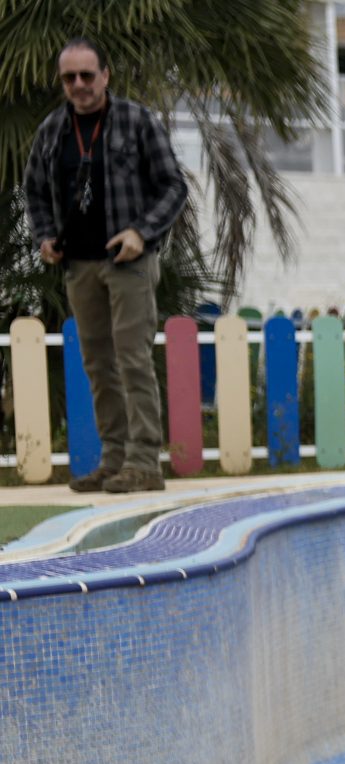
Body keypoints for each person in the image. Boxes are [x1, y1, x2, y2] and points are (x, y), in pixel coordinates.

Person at [21, 37, 189, 494]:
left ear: (105, 75)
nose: (78, 84)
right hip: (79, 265)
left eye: (86, 75)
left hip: (127, 262)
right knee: (98, 365)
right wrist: (44, 236)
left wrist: (141, 232)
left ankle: (144, 463)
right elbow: (34, 190)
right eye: (69, 78)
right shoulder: (52, 130)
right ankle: (114, 461)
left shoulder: (137, 120)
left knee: (132, 359)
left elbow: (174, 186)